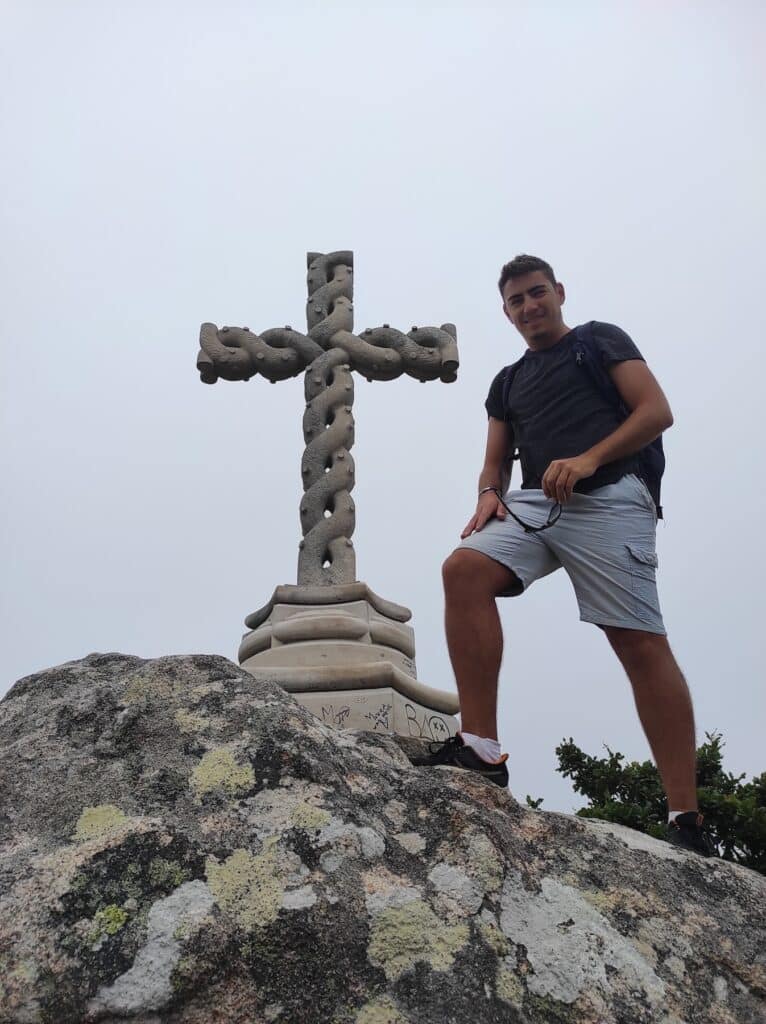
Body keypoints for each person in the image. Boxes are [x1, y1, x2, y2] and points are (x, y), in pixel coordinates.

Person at [414, 254, 714, 857]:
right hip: (535, 501)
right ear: (505, 312)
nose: (529, 307)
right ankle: (480, 749)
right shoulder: (507, 381)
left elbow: (657, 412)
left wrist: (588, 459)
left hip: (609, 496)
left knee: (636, 640)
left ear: (559, 293)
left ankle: (686, 819)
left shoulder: (598, 341)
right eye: (517, 301)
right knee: (463, 568)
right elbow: (495, 457)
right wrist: (487, 495)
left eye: (537, 293)